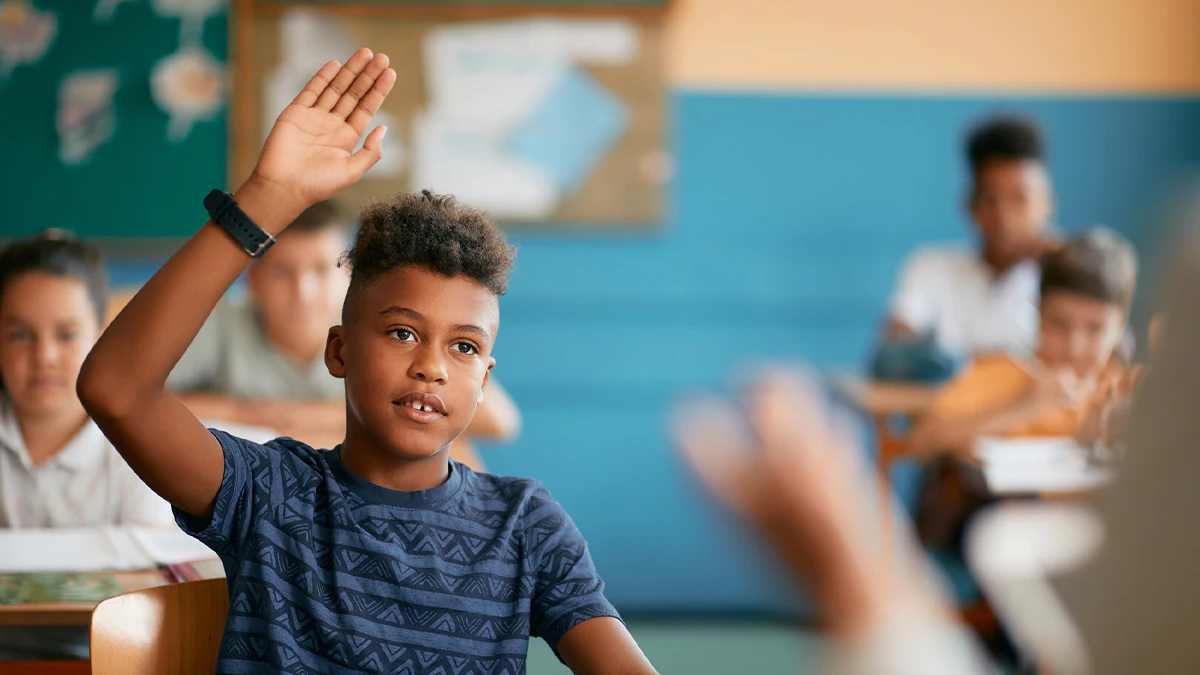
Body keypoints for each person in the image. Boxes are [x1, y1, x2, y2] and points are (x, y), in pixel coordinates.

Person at [78, 49, 656, 674]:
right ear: (340, 351)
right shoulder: (270, 495)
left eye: (464, 346)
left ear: (485, 379)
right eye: (403, 333)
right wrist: (266, 200)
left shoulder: (525, 525)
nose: (432, 366)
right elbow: (116, 388)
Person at [170, 200, 522, 461]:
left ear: (349, 279)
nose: (303, 292)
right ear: (255, 281)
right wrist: (248, 415)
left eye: (321, 270)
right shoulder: (221, 323)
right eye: (283, 272)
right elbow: (140, 394)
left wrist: (294, 419)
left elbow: (501, 422)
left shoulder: (383, 333)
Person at [0, 231, 172, 661]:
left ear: (100, 334)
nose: (45, 356)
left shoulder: (138, 440)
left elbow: (148, 558)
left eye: (66, 334)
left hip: (107, 659)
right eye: (20, 335)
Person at [908, 228, 1138, 458]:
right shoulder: (1000, 373)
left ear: (1120, 326)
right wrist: (1020, 407)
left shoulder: (1125, 391)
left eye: (1094, 329)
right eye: (1059, 324)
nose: (1074, 347)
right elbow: (920, 444)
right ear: (1038, 315)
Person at [884, 116, 1058, 359]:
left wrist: (1062, 266)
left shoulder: (1065, 280)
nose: (1004, 218)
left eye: (1020, 200)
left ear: (1048, 204)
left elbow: (1112, 356)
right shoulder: (932, 267)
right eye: (990, 200)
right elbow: (894, 347)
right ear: (969, 205)